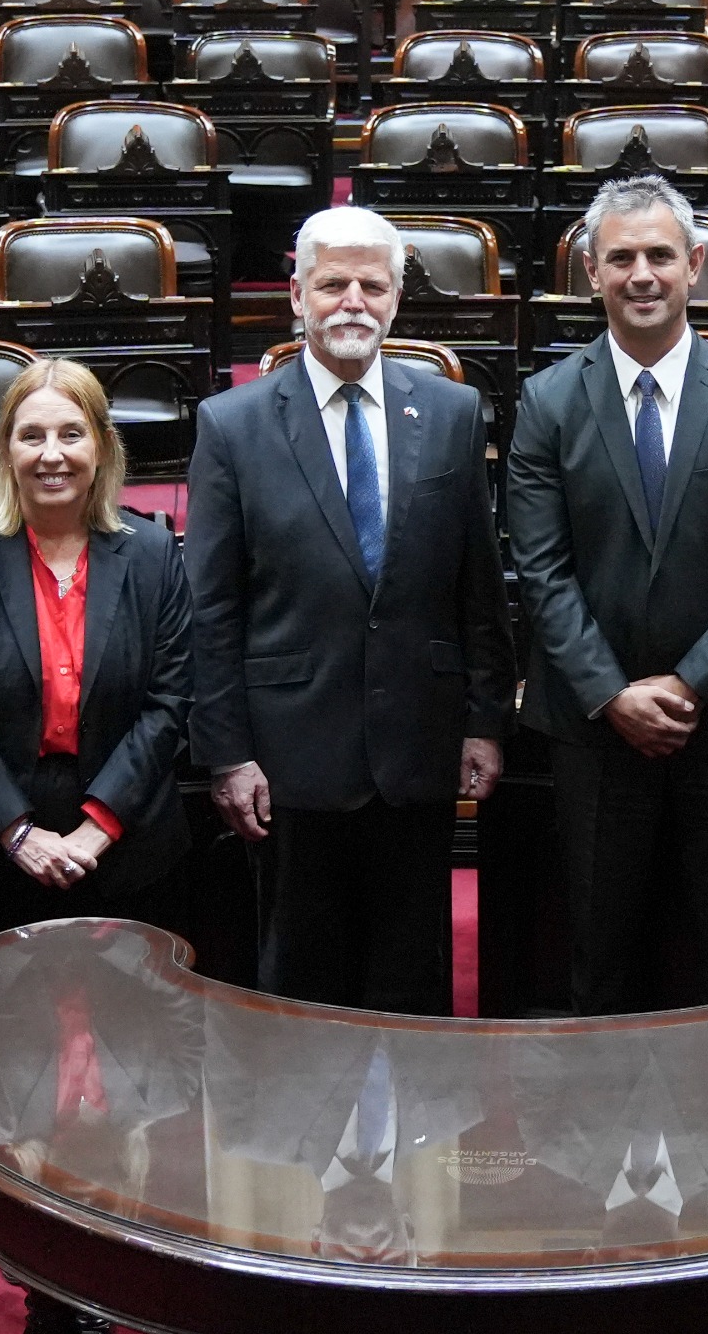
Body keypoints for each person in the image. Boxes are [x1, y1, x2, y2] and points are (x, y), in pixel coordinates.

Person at [185, 204, 513, 1013]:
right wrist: (228, 754)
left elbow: (480, 584)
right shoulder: (231, 425)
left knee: (414, 988)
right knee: (302, 994)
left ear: (398, 297)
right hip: (291, 759)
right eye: (333, 284)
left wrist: (485, 720)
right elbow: (212, 606)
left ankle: (414, 1143)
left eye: (373, 284)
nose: (353, 302)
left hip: (418, 750)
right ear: (296, 296)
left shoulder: (450, 412)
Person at [505, 174, 708, 1015]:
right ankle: (604, 1138)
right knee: (600, 956)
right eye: (622, 258)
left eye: (660, 256)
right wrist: (612, 695)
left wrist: (685, 686)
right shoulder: (548, 401)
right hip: (593, 736)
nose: (642, 274)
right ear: (590, 272)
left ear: (696, 264)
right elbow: (541, 568)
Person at [0, 356, 194, 935]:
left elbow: (169, 703)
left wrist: (99, 827)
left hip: (130, 834)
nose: (52, 454)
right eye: (32, 436)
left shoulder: (152, 554)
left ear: (101, 447)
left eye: (72, 434)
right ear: (6, 452)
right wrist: (17, 833)